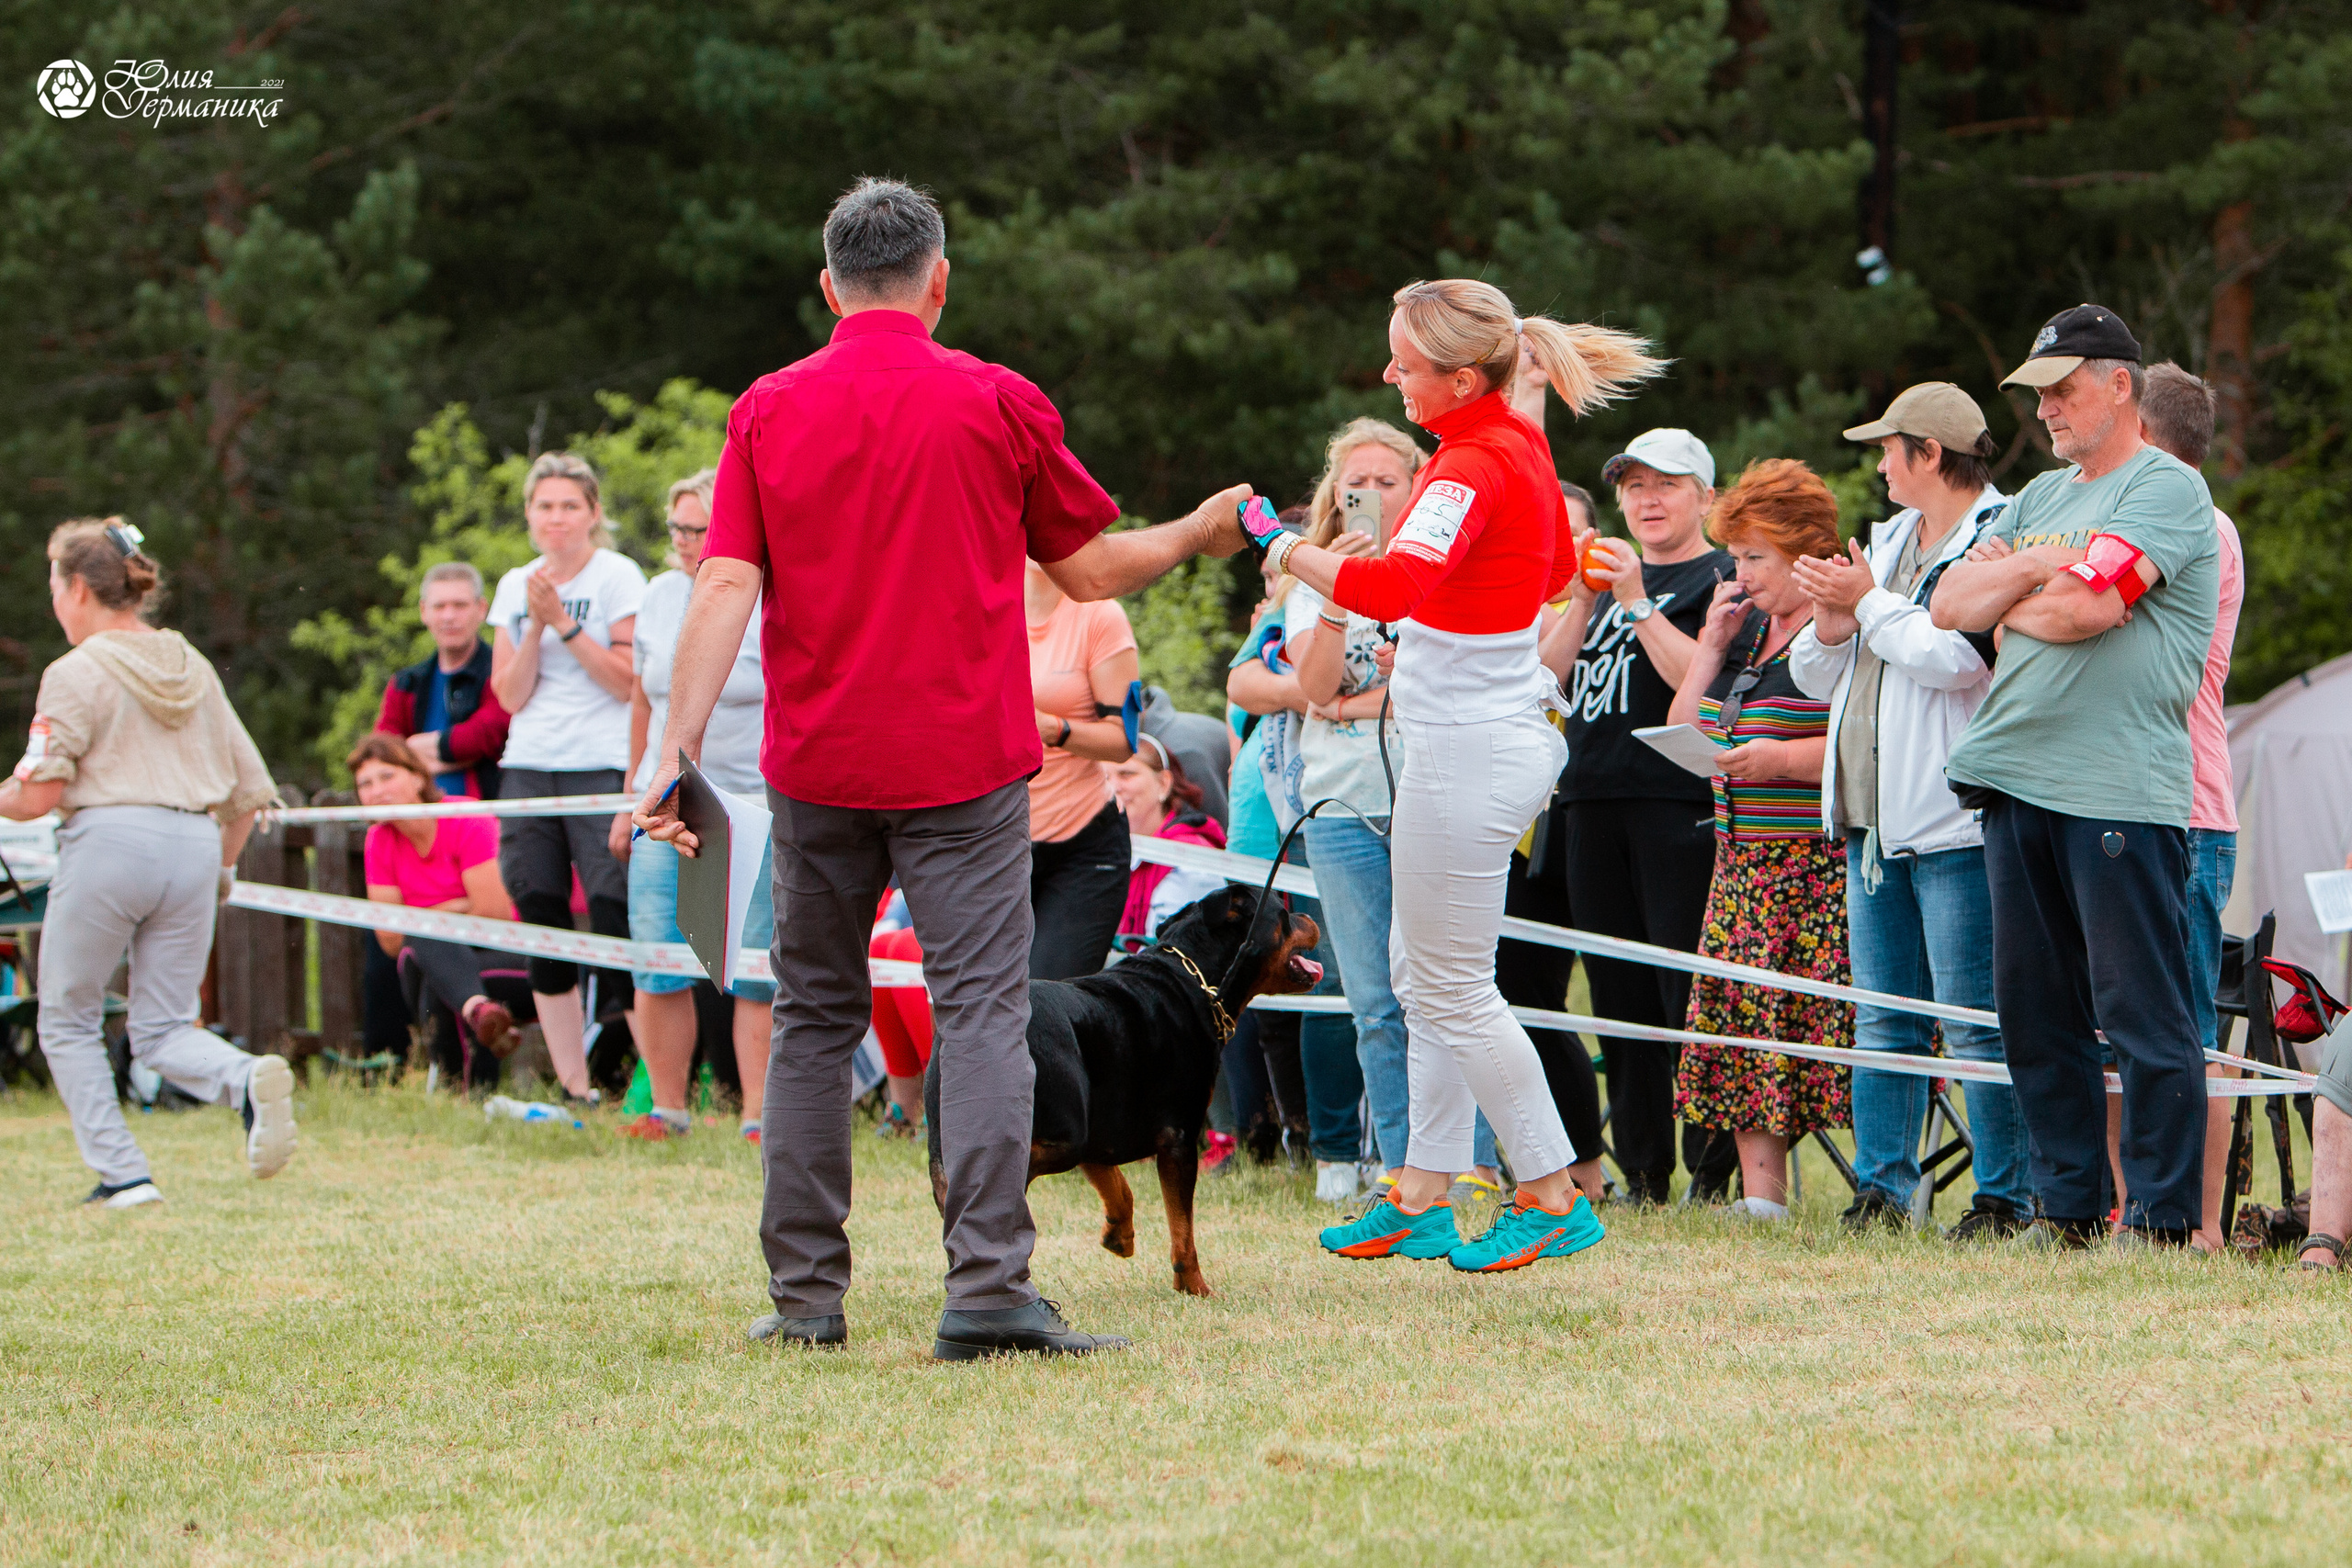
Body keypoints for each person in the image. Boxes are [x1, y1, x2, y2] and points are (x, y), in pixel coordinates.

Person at [636, 177, 1250, 1359]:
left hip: (815, 767)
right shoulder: (997, 400)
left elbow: (722, 584)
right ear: (940, 279)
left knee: (814, 1019)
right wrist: (1197, 530)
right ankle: (984, 1294)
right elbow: (1092, 573)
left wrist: (674, 750)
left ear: (828, 286)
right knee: (980, 1015)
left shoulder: (765, 409)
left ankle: (807, 1301)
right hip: (964, 769)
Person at [1252, 276, 1665, 1273]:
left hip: (1467, 751)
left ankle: (1549, 1192)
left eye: (1406, 360)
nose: (1389, 373)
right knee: (1423, 977)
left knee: (1448, 989)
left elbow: (1393, 583)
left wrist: (1279, 545)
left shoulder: (1470, 464)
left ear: (1464, 374)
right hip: (1481, 736)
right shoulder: (1503, 442)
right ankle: (1421, 1193)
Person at [1931, 305, 2221, 1248]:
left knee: (2140, 1013)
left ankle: (2163, 1217)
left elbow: (2088, 610)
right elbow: (1946, 606)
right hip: (2014, 782)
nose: (2046, 410)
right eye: (2038, 394)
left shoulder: (2166, 489)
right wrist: (2030, 576)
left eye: (2061, 390)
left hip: (2114, 788)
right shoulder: (2038, 500)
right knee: (2033, 1013)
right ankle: (2066, 1213)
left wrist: (2018, 587)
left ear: (2119, 384)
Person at [1786, 383, 2029, 1238]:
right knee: (1881, 1018)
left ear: (1929, 452)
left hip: (1956, 820)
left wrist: (1867, 603)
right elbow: (1818, 679)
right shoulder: (1886, 540)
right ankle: (1882, 1190)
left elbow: (1954, 658)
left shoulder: (2001, 532)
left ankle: (2003, 1196)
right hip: (1871, 824)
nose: (1879, 462)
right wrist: (1826, 618)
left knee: (1975, 1025)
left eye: (1890, 447)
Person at [3, 519, 292, 1207]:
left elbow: (41, 788)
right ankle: (246, 1077)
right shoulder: (189, 662)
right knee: (164, 1026)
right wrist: (219, 871)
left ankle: (123, 1174)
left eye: (53, 586)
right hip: (194, 845)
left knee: (66, 1017)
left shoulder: (73, 671)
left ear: (78, 588)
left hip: (108, 842)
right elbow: (249, 791)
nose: (53, 602)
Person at [1283, 415, 1506, 1207]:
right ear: (1334, 495)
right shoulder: (1311, 573)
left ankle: (1472, 1161)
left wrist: (1376, 691)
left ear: (1418, 489)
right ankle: (1405, 1165)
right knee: (1376, 998)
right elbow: (1311, 689)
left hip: (1438, 791)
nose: (1371, 494)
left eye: (1388, 480)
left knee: (1451, 985)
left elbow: (1462, 673)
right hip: (1344, 806)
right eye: (1357, 483)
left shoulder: (1446, 568)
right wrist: (1339, 602)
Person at [1537, 428, 1735, 1204]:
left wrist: (1637, 600)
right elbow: (1544, 682)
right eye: (1634, 486)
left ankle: (1712, 1172)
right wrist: (1586, 596)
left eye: (1668, 484)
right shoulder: (1599, 580)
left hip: (1676, 803)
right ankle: (1644, 1170)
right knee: (1616, 1000)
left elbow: (1705, 684)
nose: (1647, 500)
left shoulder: (1723, 576)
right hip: (1588, 800)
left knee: (1685, 995)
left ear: (1706, 498)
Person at [1666, 460, 1852, 1222]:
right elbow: (1687, 728)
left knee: (1812, 1027)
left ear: (1805, 551)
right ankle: (1761, 1197)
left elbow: (1860, 742)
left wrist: (1781, 762)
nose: (1739, 573)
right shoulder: (1750, 634)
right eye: (1736, 556)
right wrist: (1710, 647)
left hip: (1811, 867)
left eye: (1755, 558)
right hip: (1740, 866)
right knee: (1743, 1027)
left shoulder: (1834, 631)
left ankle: (1874, 1184)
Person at [605, 468, 775, 1144]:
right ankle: (666, 1109)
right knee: (656, 953)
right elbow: (645, 699)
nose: (683, 541)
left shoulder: (760, 591)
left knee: (757, 963)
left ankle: (759, 1115)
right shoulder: (657, 594)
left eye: (699, 529)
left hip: (751, 799)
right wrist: (632, 791)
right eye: (676, 527)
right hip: (665, 794)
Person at [2120, 362, 2244, 1250]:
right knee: (2128, 1026)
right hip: (2146, 798)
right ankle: (2137, 1213)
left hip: (2186, 808)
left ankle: (2195, 1228)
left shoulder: (2195, 519)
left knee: (2185, 1028)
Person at [487, 452, 646, 1104]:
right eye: (544, 506)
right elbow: (508, 696)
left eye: (569, 506)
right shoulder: (515, 582)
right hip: (529, 763)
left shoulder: (618, 575)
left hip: (602, 762)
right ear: (529, 515)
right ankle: (574, 1084)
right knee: (540, 911)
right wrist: (530, 627)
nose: (556, 519)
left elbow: (626, 681)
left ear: (593, 513)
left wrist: (565, 623)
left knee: (613, 910)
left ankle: (648, 1079)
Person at [1224, 526, 1361, 1201]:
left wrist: (1306, 689)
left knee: (1329, 984)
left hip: (1330, 814)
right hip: (1261, 825)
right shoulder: (1282, 615)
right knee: (1270, 992)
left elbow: (1299, 688)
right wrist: (1307, 691)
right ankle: (1292, 1135)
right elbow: (1243, 687)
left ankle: (1337, 1139)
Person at [1503, 477, 1610, 1207]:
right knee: (1528, 998)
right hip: (1523, 834)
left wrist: (1582, 600)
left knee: (1606, 994)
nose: (1563, 547)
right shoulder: (1516, 604)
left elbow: (1550, 674)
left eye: (1576, 534)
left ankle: (1598, 1165)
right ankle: (1575, 1166)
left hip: (1595, 820)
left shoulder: (1604, 602)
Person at [350, 732, 525, 1089]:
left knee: (426, 952)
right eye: (365, 784)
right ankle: (478, 1019)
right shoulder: (379, 840)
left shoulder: (465, 818)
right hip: (441, 961)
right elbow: (390, 940)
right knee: (421, 952)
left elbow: (494, 915)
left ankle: (458, 1088)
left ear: (418, 776)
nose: (376, 790)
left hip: (511, 956)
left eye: (387, 776)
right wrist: (459, 906)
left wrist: (427, 916)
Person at [1024, 556, 1139, 979]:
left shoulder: (1100, 616)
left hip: (1080, 848)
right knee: (968, 1009)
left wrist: (1052, 728)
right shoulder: (978, 604)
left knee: (1046, 1005)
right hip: (991, 845)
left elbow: (1124, 740)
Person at [375, 561, 510, 799]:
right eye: (439, 606)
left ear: (481, 609)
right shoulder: (406, 683)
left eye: (460, 605)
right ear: (423, 611)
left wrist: (416, 749)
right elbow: (382, 751)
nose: (449, 616)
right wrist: (458, 756)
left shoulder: (504, 671)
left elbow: (488, 735)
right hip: (420, 821)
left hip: (488, 814)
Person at [1110, 738, 1227, 942]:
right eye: (1103, 779)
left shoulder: (1191, 861)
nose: (1113, 788)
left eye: (1126, 774)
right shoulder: (1102, 852)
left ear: (1164, 783)